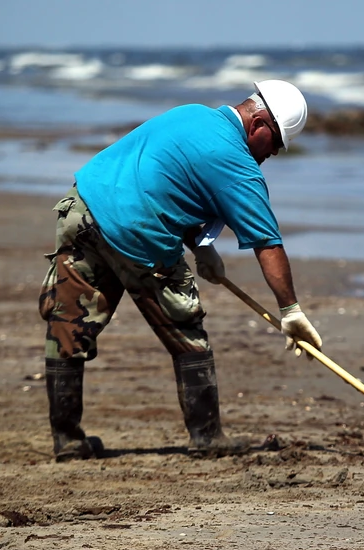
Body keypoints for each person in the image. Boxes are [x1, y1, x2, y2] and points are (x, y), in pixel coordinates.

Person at [38, 79, 323, 462]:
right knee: (187, 332)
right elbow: (267, 243)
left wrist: (200, 245)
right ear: (258, 125)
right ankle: (206, 436)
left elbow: (161, 180)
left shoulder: (192, 114)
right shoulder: (238, 163)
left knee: (68, 325)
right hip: (138, 230)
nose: (271, 154)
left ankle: (67, 442)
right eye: (274, 144)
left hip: (82, 207)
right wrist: (290, 310)